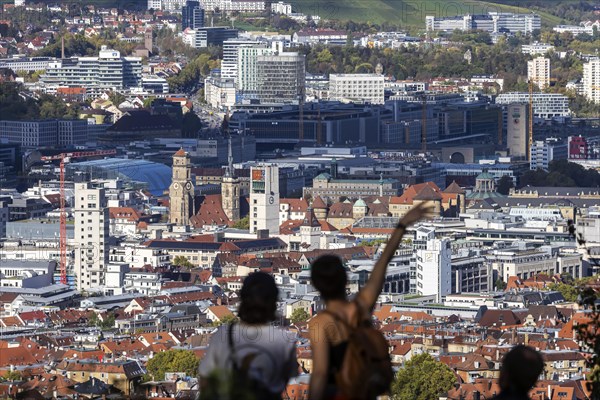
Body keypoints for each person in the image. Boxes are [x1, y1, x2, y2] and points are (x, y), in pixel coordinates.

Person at [308, 202, 434, 400]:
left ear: (317, 285)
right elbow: (382, 263)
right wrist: (402, 225)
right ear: (345, 279)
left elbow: (321, 373)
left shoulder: (320, 323)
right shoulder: (361, 307)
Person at [198, 271, 298, 400]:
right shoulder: (284, 340)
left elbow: (206, 381)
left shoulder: (223, 335)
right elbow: (286, 380)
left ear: (243, 299)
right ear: (273, 302)